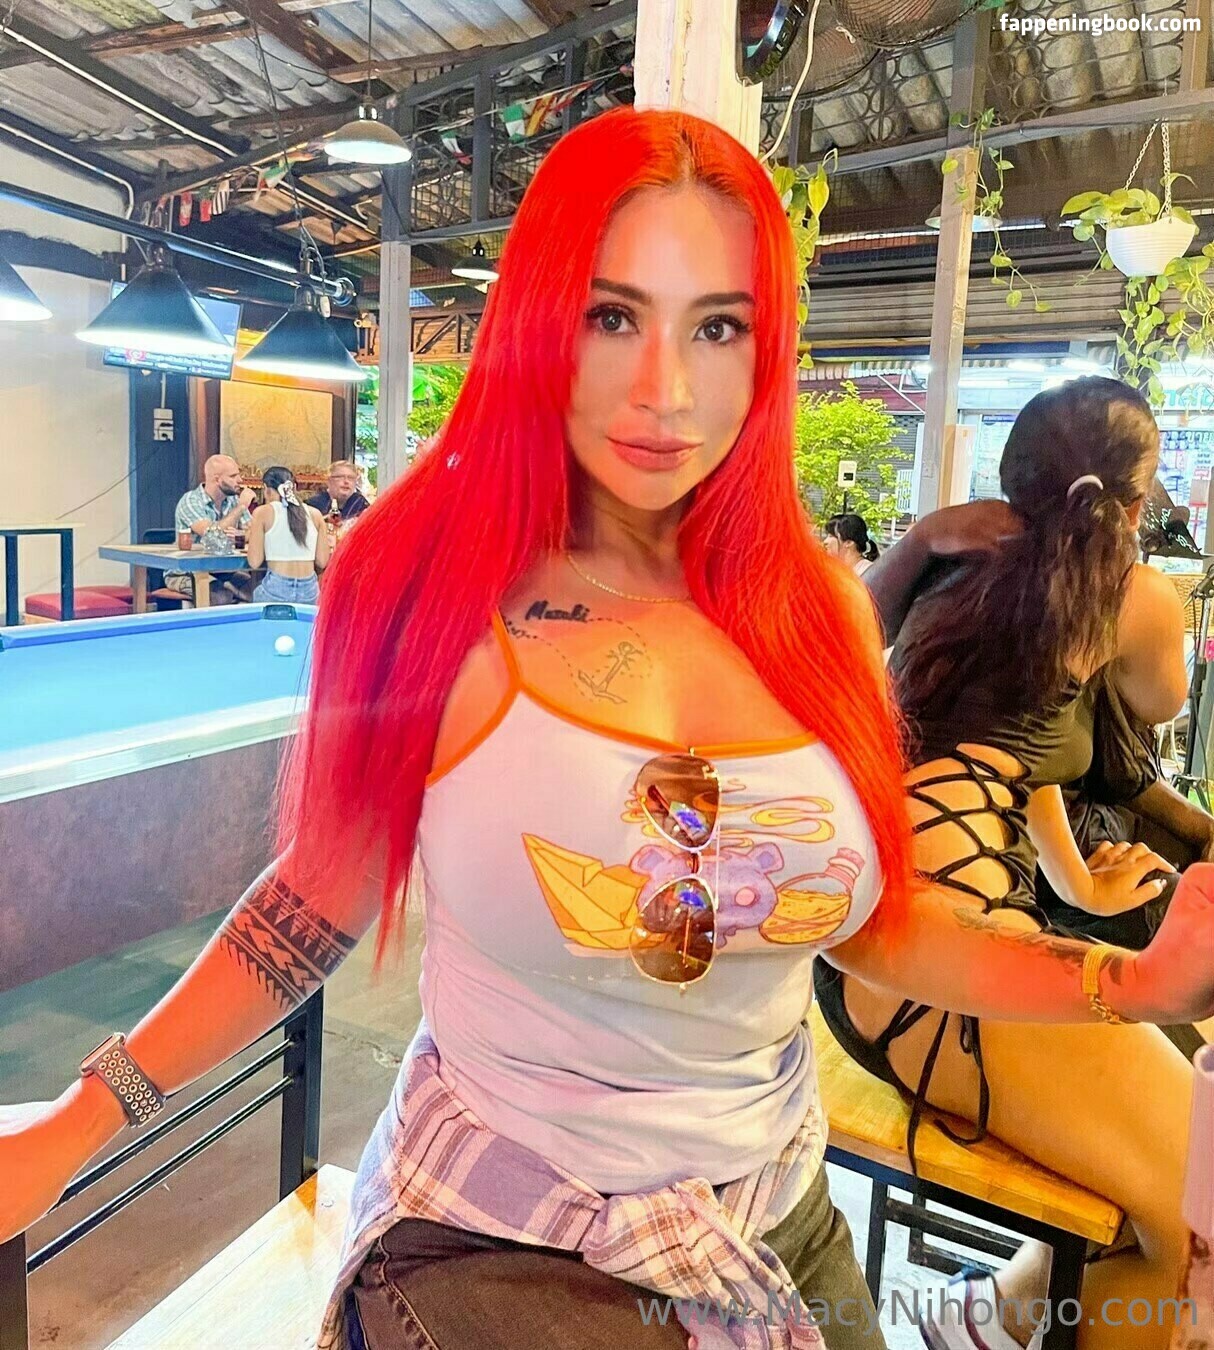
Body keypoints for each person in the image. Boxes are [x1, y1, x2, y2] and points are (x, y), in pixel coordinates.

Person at [2, 112, 1213, 1350]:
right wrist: (81, 1120)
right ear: (537, 319)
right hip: (496, 1235)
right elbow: (314, 897)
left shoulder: (816, 610)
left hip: (777, 1218)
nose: (663, 391)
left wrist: (1127, 982)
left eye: (716, 326)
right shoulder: (426, 587)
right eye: (610, 315)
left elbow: (874, 927)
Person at [815, 379, 1194, 1350]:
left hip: (879, 957)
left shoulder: (957, 574)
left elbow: (1006, 753)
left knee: (1166, 1174)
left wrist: (1077, 883)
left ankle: (983, 1320)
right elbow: (1161, 700)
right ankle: (995, 1320)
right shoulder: (1131, 597)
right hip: (941, 985)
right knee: (1196, 1219)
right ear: (1132, 504)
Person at [169, 453, 255, 604]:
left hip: (225, 570)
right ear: (217, 479)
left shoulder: (233, 500)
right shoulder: (190, 501)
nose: (240, 480)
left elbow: (253, 532)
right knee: (220, 597)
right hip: (187, 572)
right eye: (233, 476)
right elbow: (211, 534)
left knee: (257, 592)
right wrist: (241, 506)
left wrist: (241, 535)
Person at [244, 466, 330, 606]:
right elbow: (322, 561)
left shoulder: (263, 512)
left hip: (277, 589)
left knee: (248, 594)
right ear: (294, 488)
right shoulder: (315, 514)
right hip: (310, 592)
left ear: (266, 489)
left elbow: (254, 562)